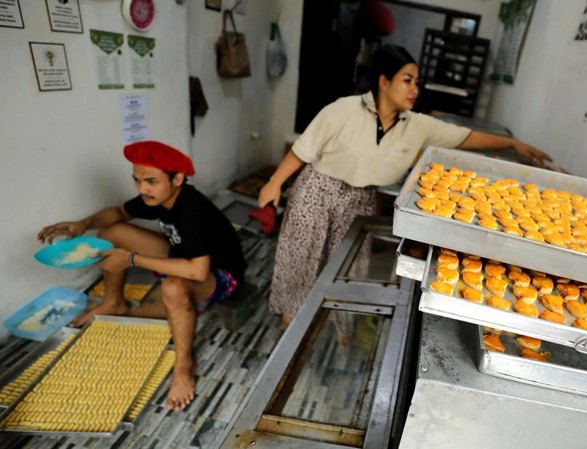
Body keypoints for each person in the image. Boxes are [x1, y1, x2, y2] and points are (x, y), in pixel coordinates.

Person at [259, 44, 552, 327]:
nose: (415, 89)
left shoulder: (417, 125)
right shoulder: (343, 110)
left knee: (346, 267)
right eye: (407, 80)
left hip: (360, 199)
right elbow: (303, 149)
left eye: (417, 82)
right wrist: (274, 183)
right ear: (384, 81)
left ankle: (335, 329)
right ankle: (291, 321)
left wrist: (513, 143)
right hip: (318, 191)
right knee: (302, 259)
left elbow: (465, 137)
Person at [37, 140, 246, 412]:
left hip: (220, 274)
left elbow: (197, 270)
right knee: (111, 233)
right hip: (182, 254)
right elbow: (118, 212)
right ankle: (115, 302)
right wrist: (84, 224)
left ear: (178, 179)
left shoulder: (192, 209)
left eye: (150, 181)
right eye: (136, 180)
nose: (142, 189)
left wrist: (132, 259)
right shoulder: (157, 196)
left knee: (173, 287)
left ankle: (184, 365)